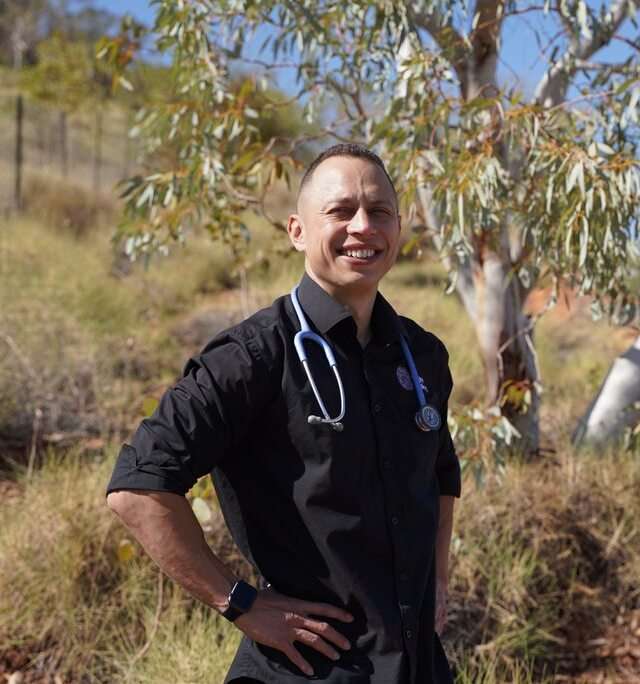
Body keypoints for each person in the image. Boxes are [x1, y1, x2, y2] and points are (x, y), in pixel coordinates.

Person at [106, 143, 461, 684]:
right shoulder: (252, 357)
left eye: (380, 211)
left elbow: (440, 474)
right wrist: (241, 603)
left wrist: (438, 579)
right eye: (340, 212)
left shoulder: (422, 355)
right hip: (308, 670)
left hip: (418, 667)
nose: (364, 227)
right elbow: (138, 487)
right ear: (297, 230)